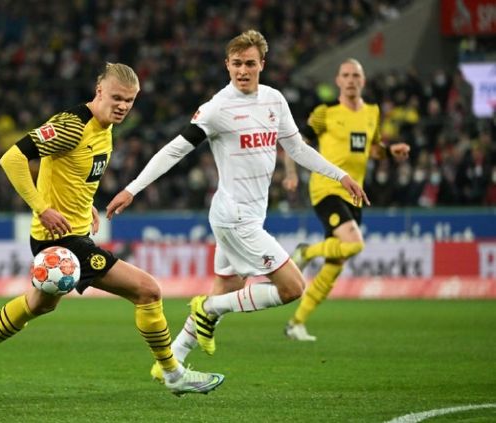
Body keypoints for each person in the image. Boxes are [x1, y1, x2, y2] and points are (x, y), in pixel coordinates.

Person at [0, 63, 225, 400]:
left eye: (130, 100)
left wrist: (83, 205)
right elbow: (12, 159)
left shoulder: (105, 127)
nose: (123, 106)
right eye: (117, 98)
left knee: (39, 304)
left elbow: (71, 172)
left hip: (71, 231)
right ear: (99, 92)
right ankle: (172, 372)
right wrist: (41, 207)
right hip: (61, 239)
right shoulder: (71, 126)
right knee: (148, 291)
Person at [106, 31, 369, 378]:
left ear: (262, 64)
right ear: (226, 65)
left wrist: (340, 176)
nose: (242, 70)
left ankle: (169, 363)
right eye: (236, 63)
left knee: (229, 287)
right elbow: (175, 149)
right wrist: (132, 188)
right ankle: (209, 309)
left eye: (249, 63)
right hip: (234, 217)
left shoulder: (274, 101)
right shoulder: (217, 108)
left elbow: (298, 150)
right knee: (291, 288)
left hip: (251, 214)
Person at [284, 58, 410, 341]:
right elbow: (294, 143)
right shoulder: (324, 113)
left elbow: (373, 150)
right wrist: (291, 172)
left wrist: (391, 152)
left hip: (355, 192)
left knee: (336, 262)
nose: (351, 79)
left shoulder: (372, 113)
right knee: (353, 243)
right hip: (327, 188)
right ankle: (305, 253)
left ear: (362, 81)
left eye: (356, 75)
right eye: (346, 75)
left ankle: (296, 323)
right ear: (338, 81)